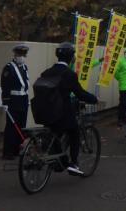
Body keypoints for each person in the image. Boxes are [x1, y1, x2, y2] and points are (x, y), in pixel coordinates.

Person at [38, 42, 98, 176]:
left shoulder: (46, 72)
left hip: (45, 113)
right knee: (74, 132)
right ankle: (74, 163)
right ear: (72, 57)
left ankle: (58, 159)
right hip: (62, 114)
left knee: (54, 133)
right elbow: (80, 93)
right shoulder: (69, 74)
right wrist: (94, 99)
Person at [0, 43, 30, 160]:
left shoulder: (24, 67)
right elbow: (5, 86)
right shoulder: (9, 68)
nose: (21, 56)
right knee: (11, 127)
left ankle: (17, 149)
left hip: (23, 100)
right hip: (13, 101)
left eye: (23, 54)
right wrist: (5, 102)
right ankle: (8, 152)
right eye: (19, 54)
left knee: (22, 126)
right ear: (15, 54)